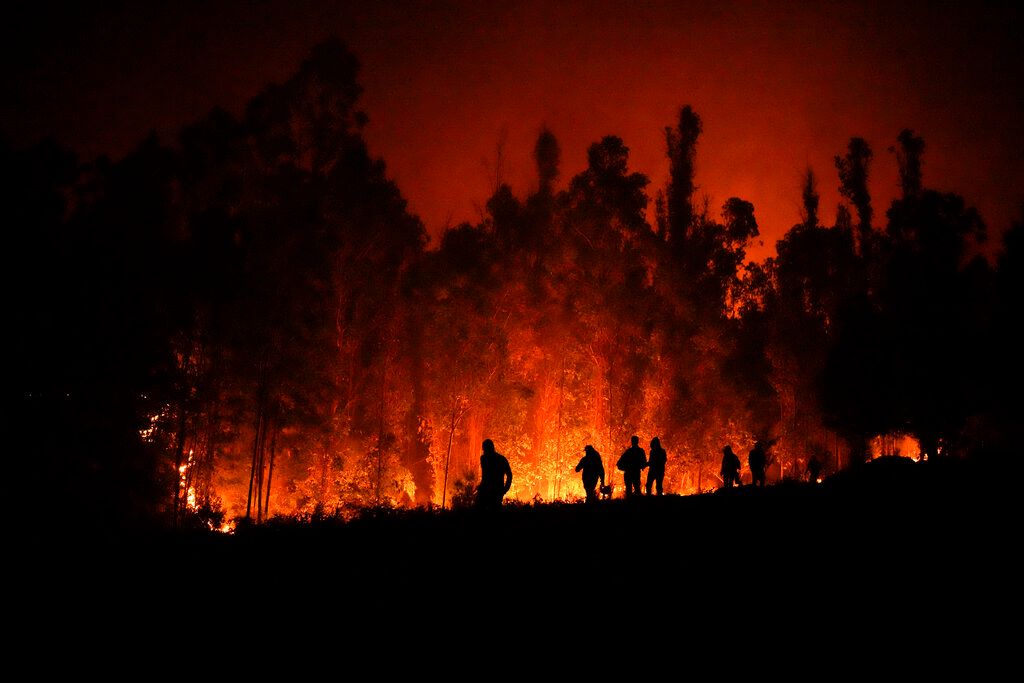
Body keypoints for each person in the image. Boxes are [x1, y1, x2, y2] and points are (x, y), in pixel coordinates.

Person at [476, 438, 512, 509]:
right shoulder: (500, 459)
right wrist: (504, 489)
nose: (483, 451)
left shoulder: (485, 459)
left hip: (494, 491)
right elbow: (485, 476)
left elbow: (509, 475)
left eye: (484, 449)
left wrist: (505, 489)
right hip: (492, 491)